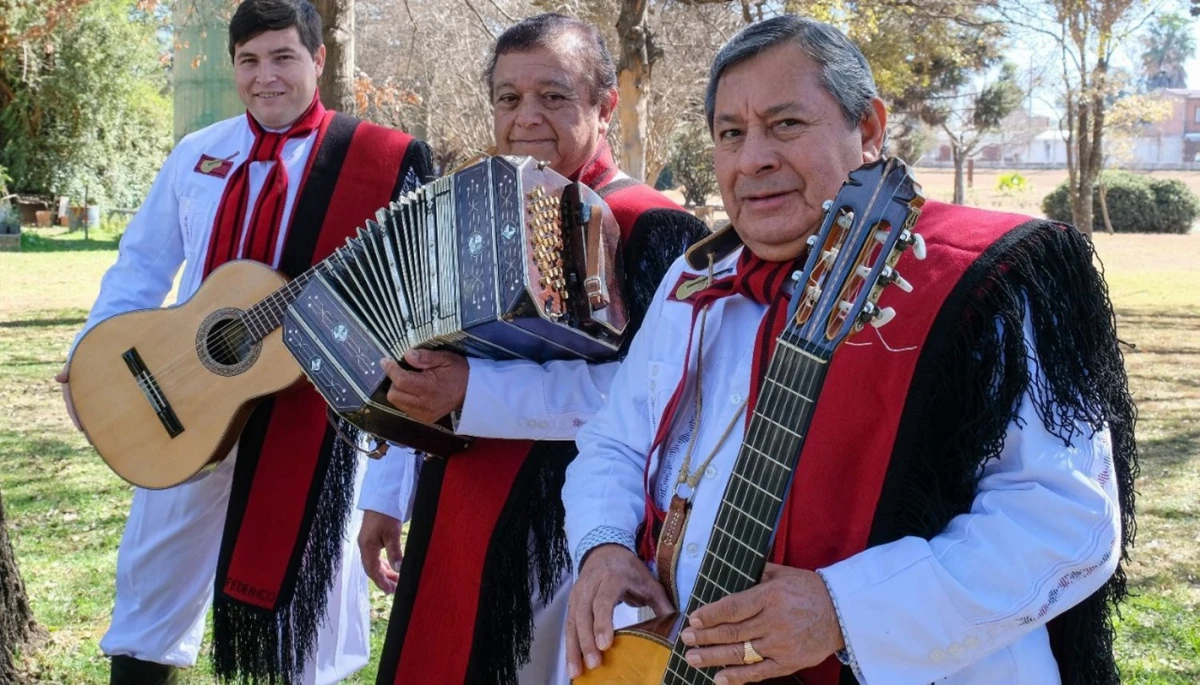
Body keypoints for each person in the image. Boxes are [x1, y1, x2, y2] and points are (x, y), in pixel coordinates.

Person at [563, 15, 1137, 685]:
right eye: (731, 133)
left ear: (868, 130)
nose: (752, 159)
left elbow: (1064, 520)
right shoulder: (694, 281)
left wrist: (844, 609)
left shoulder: (979, 285)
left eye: (786, 124)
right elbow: (614, 441)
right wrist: (601, 544)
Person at [55, 2, 432, 683]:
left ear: (318, 60)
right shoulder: (197, 153)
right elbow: (141, 266)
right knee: (150, 599)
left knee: (302, 619)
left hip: (309, 416)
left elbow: (408, 303)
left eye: (283, 57)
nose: (265, 77)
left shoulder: (374, 164)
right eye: (249, 61)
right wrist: (92, 359)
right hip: (181, 397)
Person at [354, 13, 711, 685]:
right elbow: (423, 352)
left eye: (554, 95)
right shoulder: (479, 206)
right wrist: (386, 490)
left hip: (567, 523)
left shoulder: (656, 228)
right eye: (508, 98)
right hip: (454, 496)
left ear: (605, 105)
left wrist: (472, 392)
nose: (526, 116)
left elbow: (654, 401)